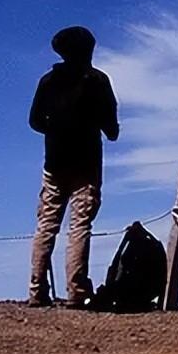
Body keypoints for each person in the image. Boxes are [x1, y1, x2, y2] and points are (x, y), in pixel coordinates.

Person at [27, 25, 119, 307]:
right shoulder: (98, 81)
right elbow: (111, 130)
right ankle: (76, 292)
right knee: (79, 225)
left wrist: (56, 131)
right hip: (87, 164)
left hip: (54, 163)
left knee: (46, 225)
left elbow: (34, 121)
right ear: (88, 51)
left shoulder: (47, 81)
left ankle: (37, 291)